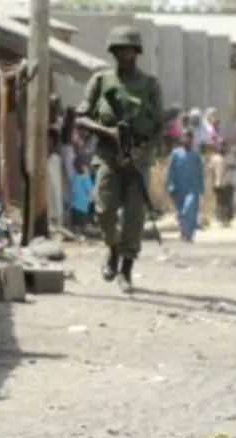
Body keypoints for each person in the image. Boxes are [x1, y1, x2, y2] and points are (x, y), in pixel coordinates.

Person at [75, 25, 163, 293]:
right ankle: (112, 249)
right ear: (113, 52)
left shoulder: (149, 85)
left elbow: (158, 126)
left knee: (135, 217)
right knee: (103, 211)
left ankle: (126, 268)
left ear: (137, 52)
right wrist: (107, 132)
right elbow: (81, 117)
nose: (125, 55)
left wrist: (141, 149)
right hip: (108, 156)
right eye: (120, 50)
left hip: (137, 158)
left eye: (130, 50)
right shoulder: (101, 81)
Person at [166, 128, 204, 242]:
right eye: (185, 137)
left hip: (192, 187)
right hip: (178, 188)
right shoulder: (175, 153)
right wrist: (170, 185)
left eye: (189, 137)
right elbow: (170, 170)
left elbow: (200, 171)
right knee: (180, 212)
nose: (187, 139)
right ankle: (184, 233)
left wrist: (201, 187)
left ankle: (189, 233)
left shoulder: (195, 154)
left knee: (190, 209)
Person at [210, 141, 236, 226]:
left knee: (228, 202)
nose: (223, 148)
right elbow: (212, 171)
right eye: (222, 146)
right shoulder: (215, 158)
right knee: (220, 202)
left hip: (229, 183)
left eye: (225, 146)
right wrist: (212, 183)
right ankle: (221, 219)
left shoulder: (230, 157)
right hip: (219, 183)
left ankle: (228, 219)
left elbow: (234, 167)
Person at [69, 158, 94, 234]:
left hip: (73, 205)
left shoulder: (73, 175)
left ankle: (76, 232)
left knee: (75, 224)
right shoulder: (85, 177)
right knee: (82, 223)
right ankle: (82, 232)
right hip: (83, 206)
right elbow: (90, 189)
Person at [46, 126, 64, 227]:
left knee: (55, 192)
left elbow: (56, 185)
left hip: (55, 201)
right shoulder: (46, 159)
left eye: (49, 141)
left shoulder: (55, 159)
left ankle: (57, 221)